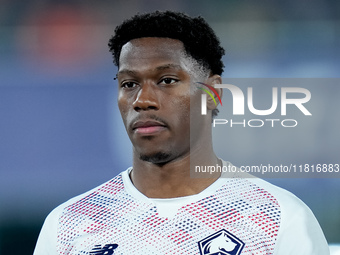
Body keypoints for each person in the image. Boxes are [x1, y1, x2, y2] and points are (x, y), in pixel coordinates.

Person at [33, 11, 329, 254]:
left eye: (167, 80)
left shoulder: (278, 219)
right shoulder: (68, 226)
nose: (142, 100)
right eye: (129, 84)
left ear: (213, 93)